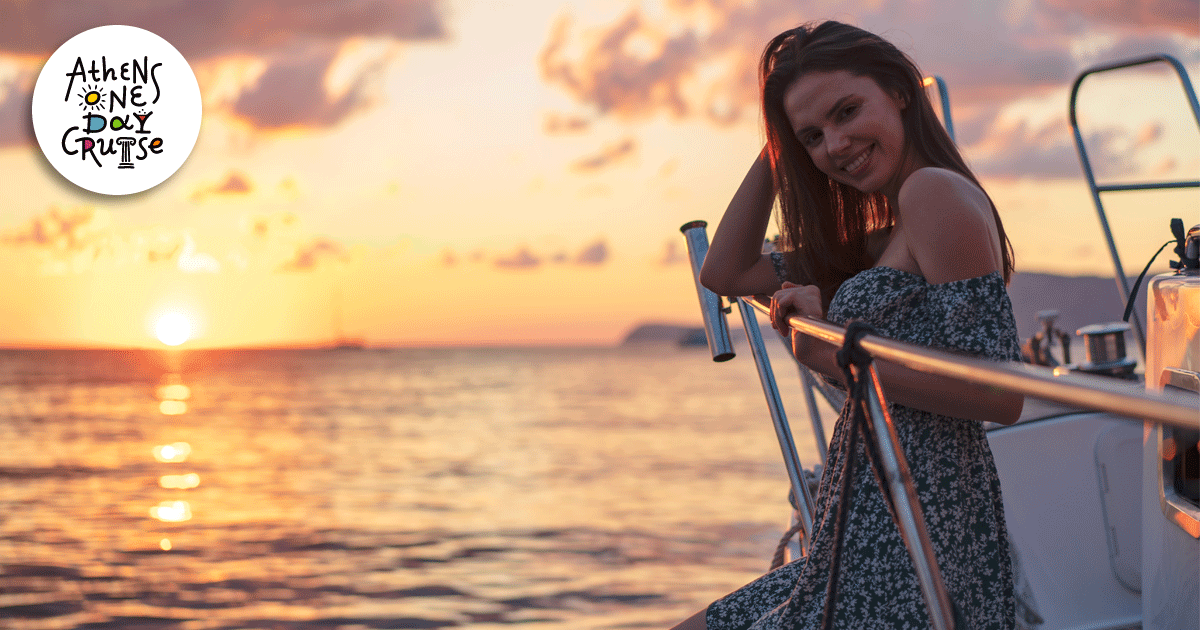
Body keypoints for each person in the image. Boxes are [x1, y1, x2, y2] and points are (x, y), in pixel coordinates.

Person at [675, 21, 1024, 630]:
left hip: (915, 545)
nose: (835, 144)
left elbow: (999, 392)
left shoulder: (932, 193)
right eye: (813, 134)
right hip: (862, 537)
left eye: (847, 111)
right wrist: (779, 144)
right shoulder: (878, 237)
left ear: (900, 91)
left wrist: (827, 354)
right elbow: (725, 271)